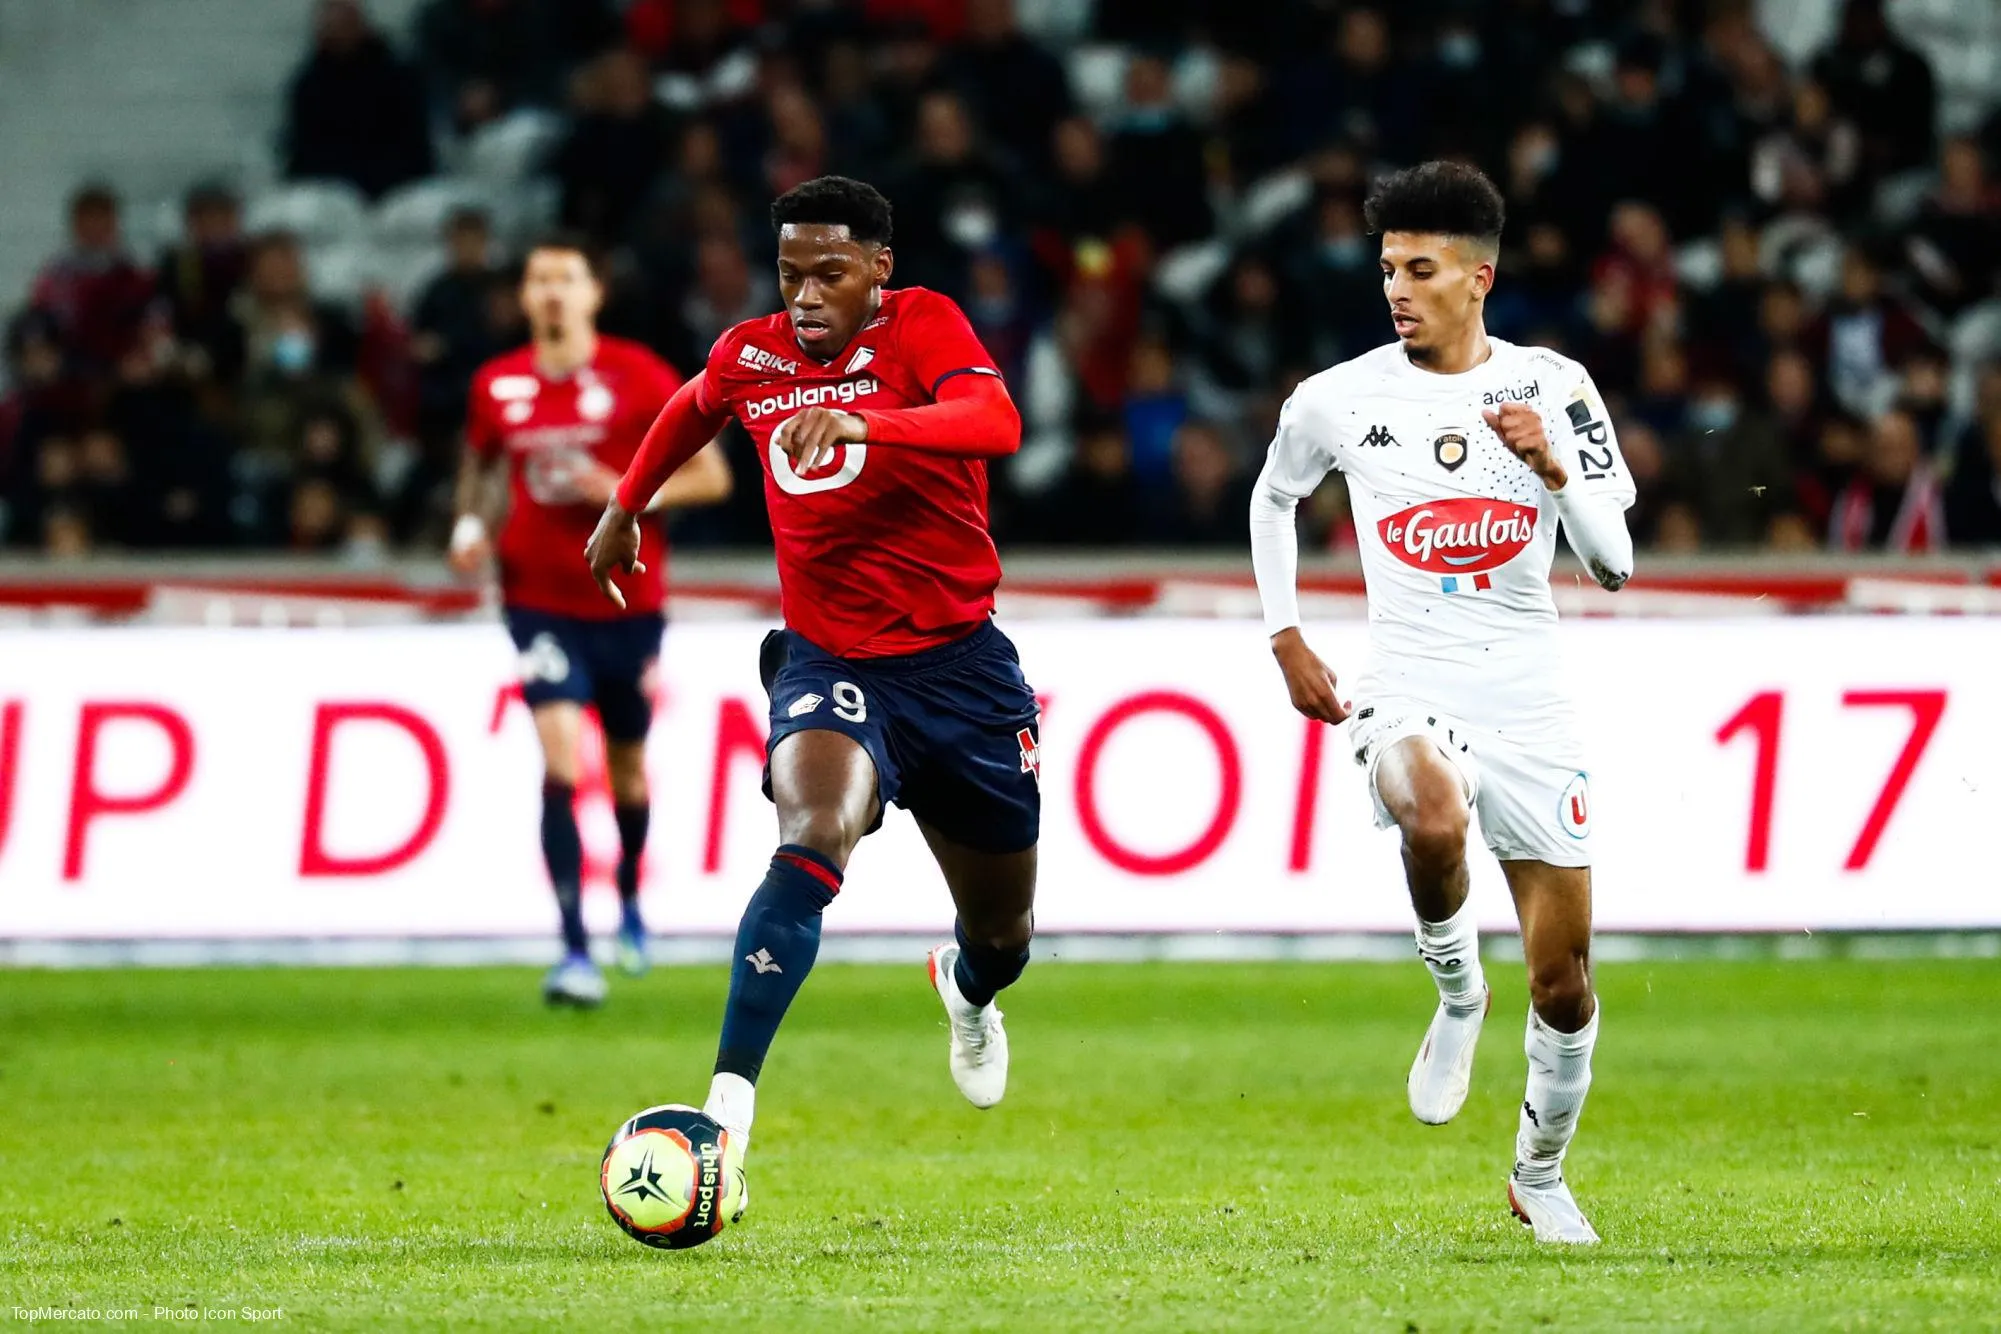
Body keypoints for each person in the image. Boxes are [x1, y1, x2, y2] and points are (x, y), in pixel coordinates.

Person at [585, 176, 1039, 1203]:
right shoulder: (751, 354)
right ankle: (726, 1115)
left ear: (879, 270)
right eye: (790, 274)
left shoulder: (923, 326)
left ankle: (967, 990)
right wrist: (626, 503)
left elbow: (994, 419)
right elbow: (693, 405)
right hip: (830, 662)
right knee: (812, 833)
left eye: (829, 273)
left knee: (1003, 935)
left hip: (962, 670)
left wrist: (864, 424)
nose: (804, 296)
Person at [1248, 162, 1635, 1245]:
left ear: (1479, 278)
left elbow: (1614, 564)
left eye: (1419, 270)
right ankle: (1459, 990)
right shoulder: (1338, 396)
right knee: (1428, 810)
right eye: (1387, 269)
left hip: (1529, 702)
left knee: (1564, 984)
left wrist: (1551, 468)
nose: (1396, 290)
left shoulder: (1556, 387)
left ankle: (1538, 1174)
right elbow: (1274, 497)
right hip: (1407, 684)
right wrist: (1285, 634)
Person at [452, 235, 732, 1006]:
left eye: (565, 279)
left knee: (626, 769)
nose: (552, 292)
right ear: (523, 296)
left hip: (625, 602)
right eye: (539, 279)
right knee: (558, 761)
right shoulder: (496, 384)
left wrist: (628, 494)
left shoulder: (637, 374)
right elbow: (481, 466)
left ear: (592, 294)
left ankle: (631, 898)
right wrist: (470, 526)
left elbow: (711, 475)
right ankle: (573, 948)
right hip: (536, 598)